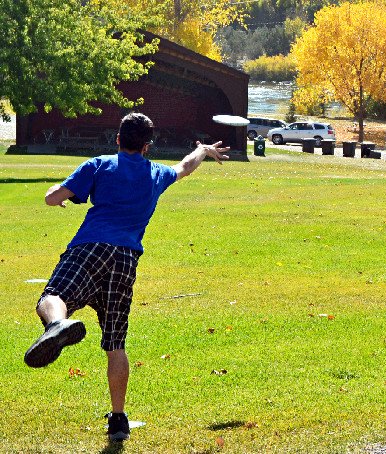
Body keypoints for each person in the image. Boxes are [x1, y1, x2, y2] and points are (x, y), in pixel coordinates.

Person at [23, 112, 230, 442]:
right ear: (147, 146)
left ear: (118, 138)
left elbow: (53, 198)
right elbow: (185, 167)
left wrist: (54, 191)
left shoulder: (100, 165)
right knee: (115, 343)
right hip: (126, 260)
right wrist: (203, 150)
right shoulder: (156, 174)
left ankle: (57, 325)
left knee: (53, 297)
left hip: (89, 248)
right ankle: (118, 420)